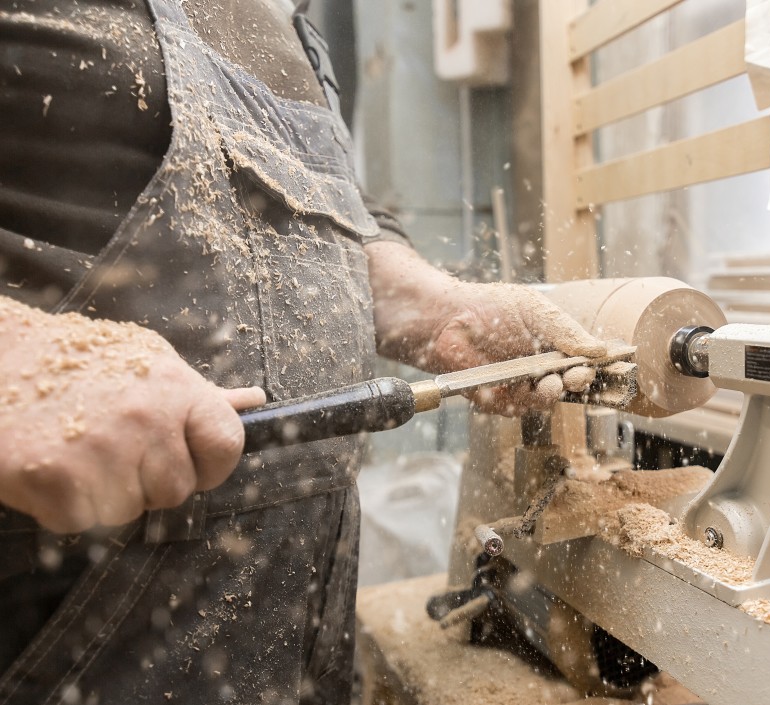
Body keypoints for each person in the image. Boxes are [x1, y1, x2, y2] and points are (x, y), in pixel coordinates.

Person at [0, 0, 604, 702]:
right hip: (63, 635)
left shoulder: (285, 14)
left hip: (288, 633)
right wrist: (19, 357)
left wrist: (439, 311)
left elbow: (335, 217)